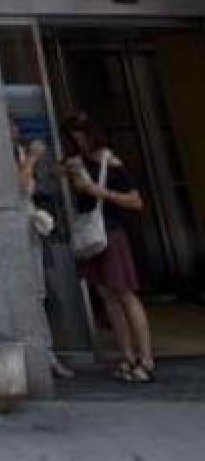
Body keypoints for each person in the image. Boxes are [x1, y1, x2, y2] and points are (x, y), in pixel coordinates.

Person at [62, 114, 155, 383]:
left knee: (125, 293)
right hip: (91, 235)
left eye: (81, 134)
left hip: (111, 232)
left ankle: (145, 357)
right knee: (107, 296)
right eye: (72, 136)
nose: (77, 140)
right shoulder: (77, 162)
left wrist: (96, 190)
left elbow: (136, 201)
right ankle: (126, 355)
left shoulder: (109, 161)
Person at [10, 116, 74, 379]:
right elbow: (22, 185)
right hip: (18, 228)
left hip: (30, 227)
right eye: (13, 126)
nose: (17, 130)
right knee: (33, 290)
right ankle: (42, 353)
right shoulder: (11, 155)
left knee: (38, 291)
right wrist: (33, 159)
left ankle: (45, 352)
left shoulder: (18, 151)